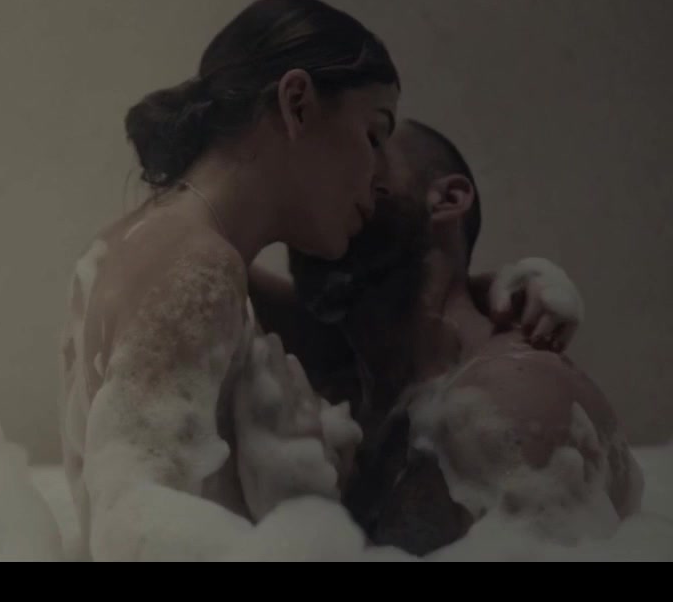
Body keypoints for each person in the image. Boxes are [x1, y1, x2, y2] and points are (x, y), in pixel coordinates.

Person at [274, 118, 643, 555]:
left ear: (448, 199)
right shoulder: (350, 390)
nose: (328, 179)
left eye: (371, 146)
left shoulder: (508, 399)